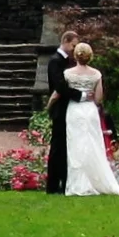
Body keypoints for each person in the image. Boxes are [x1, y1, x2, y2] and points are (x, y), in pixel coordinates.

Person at [63, 42, 119, 198]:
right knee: (93, 143)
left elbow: (62, 92)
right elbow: (99, 98)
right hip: (89, 110)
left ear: (76, 55)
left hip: (74, 109)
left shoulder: (68, 73)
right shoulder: (96, 74)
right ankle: (97, 178)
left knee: (75, 145)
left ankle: (78, 183)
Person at [42, 29, 78, 195]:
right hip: (60, 110)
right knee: (57, 148)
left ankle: (63, 183)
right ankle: (53, 185)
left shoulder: (65, 61)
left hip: (67, 109)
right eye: (73, 45)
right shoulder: (55, 61)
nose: (74, 49)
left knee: (64, 147)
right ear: (66, 41)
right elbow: (60, 87)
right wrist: (81, 95)